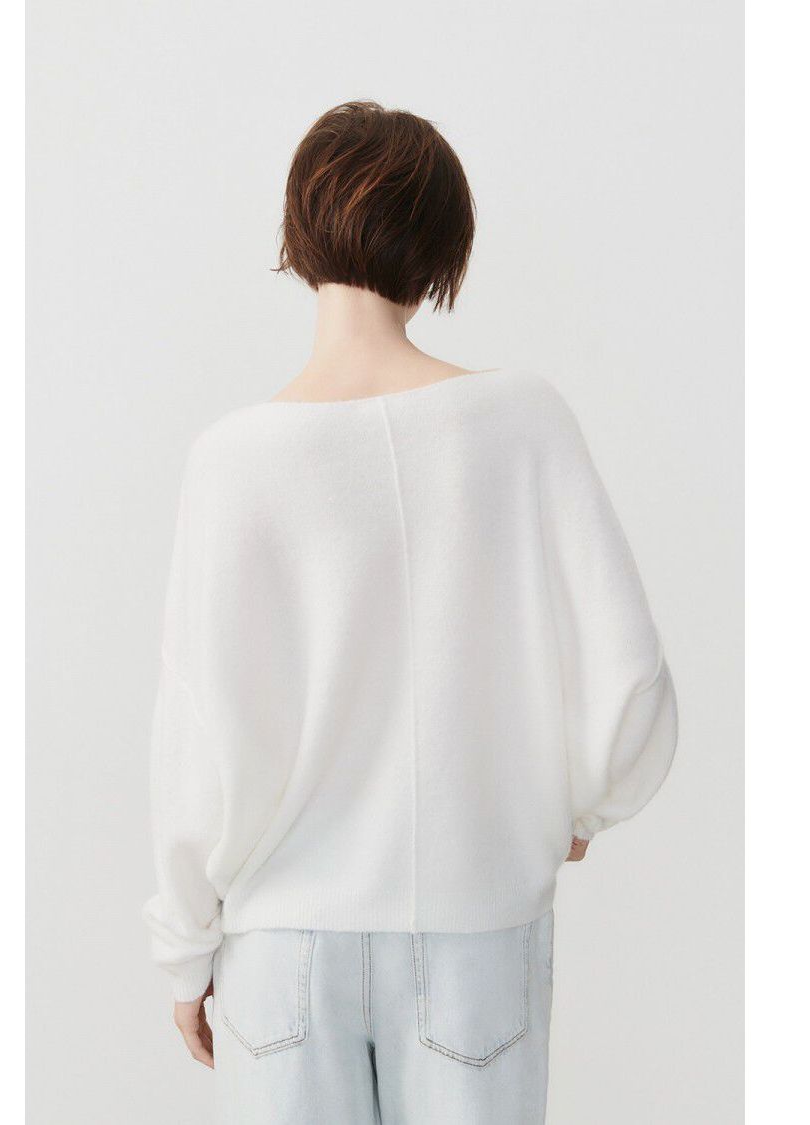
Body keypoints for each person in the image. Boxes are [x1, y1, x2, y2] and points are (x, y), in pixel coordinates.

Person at [143, 101, 678, 1123]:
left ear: (299, 234)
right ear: (442, 246)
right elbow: (630, 672)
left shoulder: (231, 461)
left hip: (280, 945)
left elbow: (196, 731)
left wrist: (183, 947)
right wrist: (584, 803)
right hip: (473, 931)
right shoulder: (522, 420)